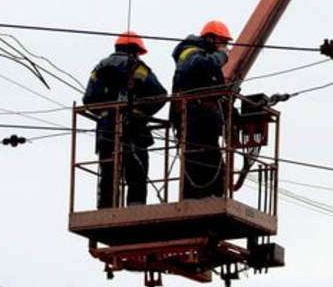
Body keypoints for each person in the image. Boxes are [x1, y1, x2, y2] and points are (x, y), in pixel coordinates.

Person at [83, 31, 167, 209]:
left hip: (106, 129)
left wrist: (106, 112)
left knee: (108, 171)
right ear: (134, 50)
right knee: (137, 170)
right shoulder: (137, 67)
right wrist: (142, 112)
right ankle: (136, 207)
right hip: (133, 128)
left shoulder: (99, 69)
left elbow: (88, 99)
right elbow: (160, 95)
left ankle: (105, 208)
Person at [171, 20, 232, 200]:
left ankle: (211, 196)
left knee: (213, 161)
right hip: (194, 116)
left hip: (207, 119)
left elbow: (219, 92)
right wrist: (221, 56)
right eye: (223, 42)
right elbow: (197, 65)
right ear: (210, 38)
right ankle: (197, 197)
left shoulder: (208, 60)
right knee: (198, 157)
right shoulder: (189, 52)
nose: (225, 46)